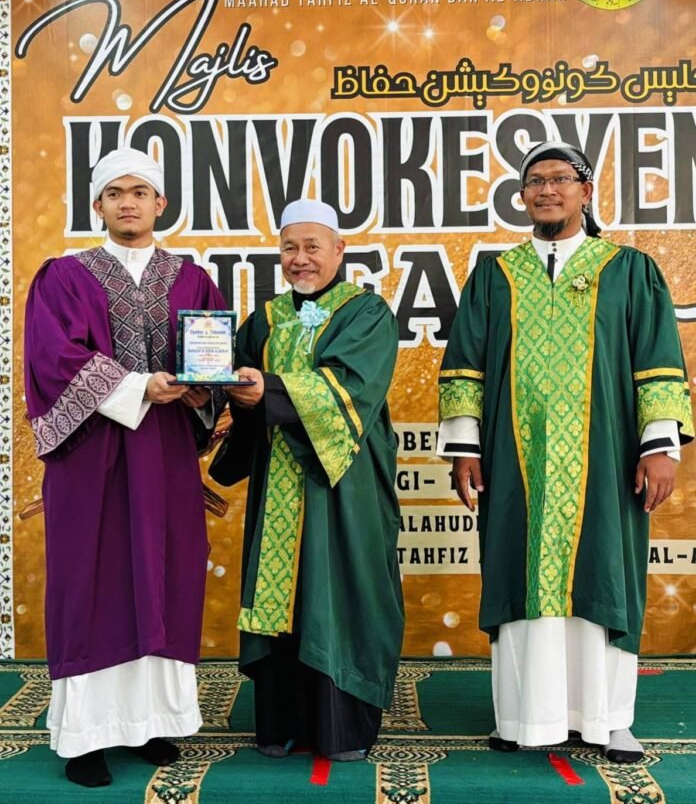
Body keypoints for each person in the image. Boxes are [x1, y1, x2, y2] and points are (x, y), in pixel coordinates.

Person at [438, 141, 693, 764]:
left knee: (604, 574)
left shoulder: (629, 271)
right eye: (534, 182)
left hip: (605, 460)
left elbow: (658, 361)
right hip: (514, 460)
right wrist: (465, 448)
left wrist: (660, 446)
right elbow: (465, 365)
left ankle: (610, 719)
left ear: (585, 190)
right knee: (518, 574)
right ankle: (523, 716)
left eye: (559, 179)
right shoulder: (495, 276)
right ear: (522, 196)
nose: (546, 190)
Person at [24, 148, 227, 787]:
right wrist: (139, 386)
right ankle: (85, 738)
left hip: (165, 454)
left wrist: (203, 389)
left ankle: (150, 723)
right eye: (115, 193)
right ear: (98, 206)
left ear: (160, 203)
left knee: (167, 573)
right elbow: (53, 359)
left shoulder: (192, 280)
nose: (129, 202)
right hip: (93, 458)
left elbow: (210, 362)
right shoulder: (63, 276)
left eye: (140, 192)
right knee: (91, 580)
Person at [210, 198, 404, 762]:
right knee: (286, 599)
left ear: (339, 251)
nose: (301, 259)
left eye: (313, 247)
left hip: (345, 485)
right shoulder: (264, 320)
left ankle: (343, 726)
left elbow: (351, 387)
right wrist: (218, 393)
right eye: (290, 248)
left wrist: (266, 390)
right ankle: (282, 721)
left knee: (342, 588)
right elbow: (230, 384)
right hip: (278, 482)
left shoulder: (367, 313)